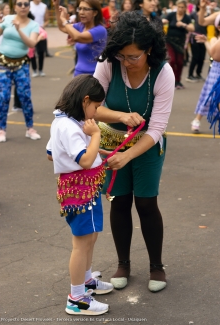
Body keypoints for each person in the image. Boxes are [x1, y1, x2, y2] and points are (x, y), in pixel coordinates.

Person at [94, 11, 175, 291]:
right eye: (122, 56)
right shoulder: (109, 63)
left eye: (133, 57)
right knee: (119, 201)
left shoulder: (163, 72)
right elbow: (92, 108)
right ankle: (123, 263)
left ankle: (156, 266)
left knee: (145, 203)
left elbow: (156, 129)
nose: (126, 63)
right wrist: (120, 115)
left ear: (148, 50)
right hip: (111, 142)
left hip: (147, 147)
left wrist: (128, 155)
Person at [46, 74, 113, 315]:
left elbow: (52, 153)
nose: (96, 113)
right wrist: (95, 136)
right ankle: (76, 298)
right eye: (95, 106)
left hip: (86, 187)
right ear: (85, 100)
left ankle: (86, 281)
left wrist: (99, 151)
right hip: (80, 188)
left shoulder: (64, 120)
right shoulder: (67, 125)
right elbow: (84, 160)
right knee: (82, 243)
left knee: (90, 237)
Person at [0, 0, 41, 143]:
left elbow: (32, 44)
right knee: (3, 97)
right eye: (20, 4)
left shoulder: (33, 25)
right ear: (15, 7)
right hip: (3, 63)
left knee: (25, 97)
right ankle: (1, 129)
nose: (23, 7)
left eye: (26, 4)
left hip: (21, 64)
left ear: (29, 7)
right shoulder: (8, 19)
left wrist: (18, 30)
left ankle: (30, 128)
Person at [54, 0, 107, 76]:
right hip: (78, 74)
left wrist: (64, 20)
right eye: (80, 9)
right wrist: (56, 6)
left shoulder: (100, 30)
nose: (81, 12)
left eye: (85, 9)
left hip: (93, 76)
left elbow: (77, 37)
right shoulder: (81, 26)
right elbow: (62, 27)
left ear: (95, 12)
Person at [191, 14, 220, 132]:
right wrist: (205, 41)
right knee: (209, 96)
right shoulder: (215, 39)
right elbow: (214, 55)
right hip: (216, 71)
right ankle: (197, 119)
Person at [162, 0, 194, 89]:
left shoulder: (187, 17)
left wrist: (183, 25)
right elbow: (164, 20)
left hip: (180, 42)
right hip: (170, 41)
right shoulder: (171, 15)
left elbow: (192, 28)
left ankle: (178, 81)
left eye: (182, 7)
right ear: (176, 7)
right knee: (172, 61)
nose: (180, 9)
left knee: (180, 62)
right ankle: (171, 80)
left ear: (185, 8)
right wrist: (163, 21)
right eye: (179, 7)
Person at [186, 0, 207, 82]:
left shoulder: (207, 15)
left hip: (204, 38)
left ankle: (198, 74)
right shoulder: (193, 15)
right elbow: (188, 22)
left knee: (202, 58)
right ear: (198, 6)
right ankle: (190, 75)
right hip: (195, 37)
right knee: (195, 57)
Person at [30, 0, 49, 76]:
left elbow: (47, 20)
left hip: (41, 31)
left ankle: (40, 70)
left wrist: (42, 26)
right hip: (31, 31)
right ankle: (34, 70)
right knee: (32, 52)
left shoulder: (44, 6)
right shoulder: (29, 5)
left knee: (41, 52)